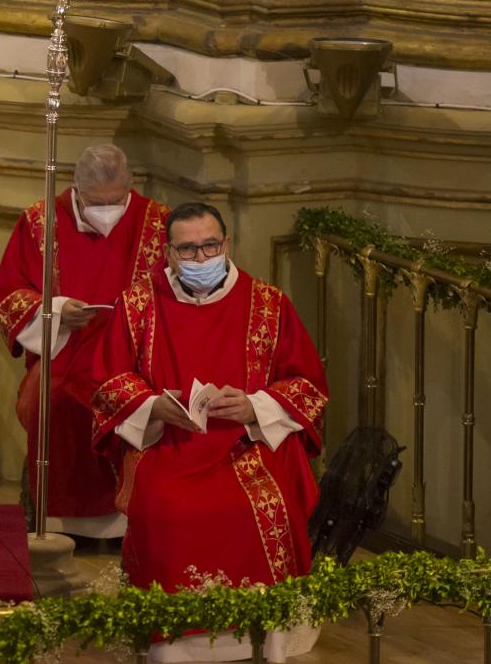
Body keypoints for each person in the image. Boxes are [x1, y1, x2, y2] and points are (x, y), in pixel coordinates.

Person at [91, 202, 328, 662]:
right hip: (169, 446)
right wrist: (153, 404)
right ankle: (173, 646)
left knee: (257, 504)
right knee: (168, 508)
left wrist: (256, 406)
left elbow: (308, 386)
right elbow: (107, 382)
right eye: (188, 250)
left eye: (210, 247)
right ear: (167, 252)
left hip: (246, 449)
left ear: (227, 244)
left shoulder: (269, 304)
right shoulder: (138, 304)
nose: (201, 259)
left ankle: (265, 637)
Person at [0, 144, 168, 541]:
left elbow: (176, 291)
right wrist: (53, 310)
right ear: (76, 188)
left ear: (130, 187)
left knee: (140, 400)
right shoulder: (41, 221)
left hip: (135, 353)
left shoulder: (158, 224)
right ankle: (57, 522)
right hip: (63, 349)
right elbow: (8, 294)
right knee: (52, 400)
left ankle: (132, 518)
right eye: (95, 203)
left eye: (116, 201)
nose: (107, 211)